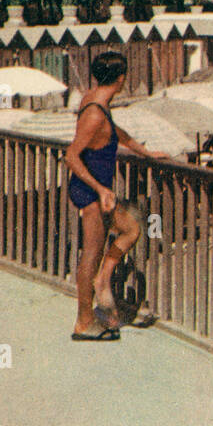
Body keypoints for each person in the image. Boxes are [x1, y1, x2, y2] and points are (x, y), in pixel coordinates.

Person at [64, 52, 170, 341]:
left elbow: (115, 132)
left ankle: (103, 280)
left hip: (99, 191)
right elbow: (71, 156)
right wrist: (100, 190)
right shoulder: (96, 112)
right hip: (91, 192)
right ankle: (84, 323)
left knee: (131, 229)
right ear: (121, 79)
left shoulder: (94, 98)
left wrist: (145, 151)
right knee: (91, 254)